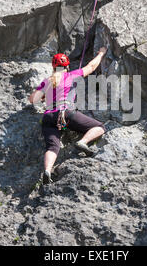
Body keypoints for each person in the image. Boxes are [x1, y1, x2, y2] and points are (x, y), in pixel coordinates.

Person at [29, 47, 107, 184]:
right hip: (66, 112)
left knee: (52, 147)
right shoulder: (72, 75)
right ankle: (82, 142)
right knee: (99, 127)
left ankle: (47, 170)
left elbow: (32, 99)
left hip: (48, 116)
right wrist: (101, 53)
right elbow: (92, 66)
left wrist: (45, 97)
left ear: (53, 67)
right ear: (67, 66)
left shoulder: (47, 81)